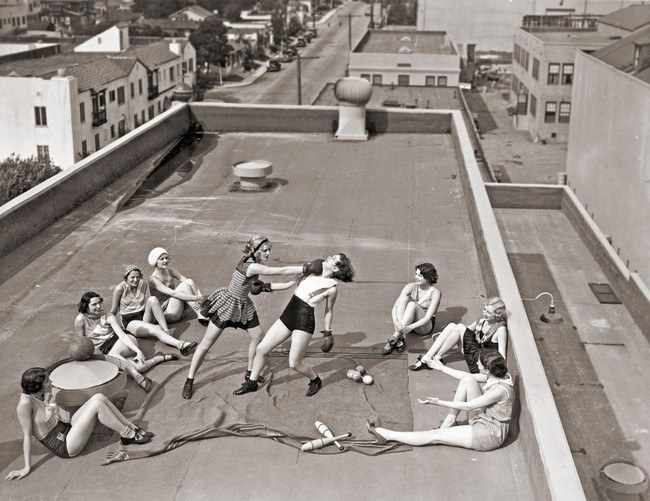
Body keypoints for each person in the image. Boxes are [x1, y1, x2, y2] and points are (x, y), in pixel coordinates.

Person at [182, 235, 304, 399]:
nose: (268, 253)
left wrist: (292, 282)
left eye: (269, 250)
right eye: (265, 250)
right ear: (255, 250)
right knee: (206, 344)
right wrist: (304, 268)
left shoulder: (254, 263)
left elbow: (265, 285)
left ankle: (250, 372)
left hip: (242, 304)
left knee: (257, 335)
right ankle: (189, 380)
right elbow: (279, 271)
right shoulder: (252, 266)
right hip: (227, 304)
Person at [234, 253, 355, 397]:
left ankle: (315, 379)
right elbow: (289, 282)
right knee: (261, 349)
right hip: (288, 315)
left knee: (294, 363)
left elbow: (329, 311)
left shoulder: (331, 288)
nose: (329, 257)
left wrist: (328, 332)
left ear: (336, 269)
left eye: (334, 259)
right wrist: (265, 287)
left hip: (304, 322)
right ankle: (251, 383)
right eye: (332, 256)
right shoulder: (311, 270)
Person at [5, 367, 152, 480]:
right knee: (97, 406)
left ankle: (129, 426)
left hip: (66, 428)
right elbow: (27, 435)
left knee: (98, 397)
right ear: (37, 386)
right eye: (47, 381)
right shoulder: (24, 404)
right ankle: (128, 435)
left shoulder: (40, 394)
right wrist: (26, 467)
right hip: (63, 445)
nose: (51, 382)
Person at [366, 349, 515, 451]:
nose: (476, 364)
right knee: (468, 380)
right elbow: (466, 377)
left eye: (479, 363)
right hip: (486, 418)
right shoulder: (497, 375)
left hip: (488, 434)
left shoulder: (499, 391)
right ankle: (448, 423)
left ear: (487, 369)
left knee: (435, 436)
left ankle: (387, 435)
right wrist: (442, 368)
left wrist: (438, 402)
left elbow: (468, 406)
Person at [75, 291, 175, 392]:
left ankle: (138, 377)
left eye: (99, 303)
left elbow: (122, 335)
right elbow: (82, 342)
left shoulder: (108, 315)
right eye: (94, 304)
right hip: (107, 349)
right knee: (137, 367)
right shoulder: (80, 320)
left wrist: (138, 351)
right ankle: (158, 358)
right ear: (86, 306)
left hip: (124, 341)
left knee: (115, 358)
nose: (98, 306)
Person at [111, 265, 198, 356]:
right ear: (126, 278)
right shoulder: (120, 289)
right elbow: (113, 310)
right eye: (132, 277)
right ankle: (181, 345)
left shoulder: (143, 284)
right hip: (130, 321)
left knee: (152, 299)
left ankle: (166, 331)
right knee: (156, 329)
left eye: (138, 277)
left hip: (143, 316)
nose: (135, 280)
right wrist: (108, 324)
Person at [409, 297, 507, 373]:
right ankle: (432, 357)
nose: (484, 313)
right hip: (474, 352)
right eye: (484, 309)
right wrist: (445, 334)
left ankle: (432, 358)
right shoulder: (483, 319)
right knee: (452, 326)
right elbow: (468, 329)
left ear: (497, 315)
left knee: (459, 327)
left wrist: (493, 373)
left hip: (480, 364)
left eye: (488, 312)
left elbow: (502, 357)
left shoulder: (500, 329)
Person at [382, 263, 441, 355]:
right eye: (416, 274)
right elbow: (395, 308)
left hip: (423, 326)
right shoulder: (410, 286)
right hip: (406, 323)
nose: (416, 277)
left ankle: (395, 337)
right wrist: (396, 322)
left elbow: (427, 318)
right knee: (403, 298)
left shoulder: (435, 293)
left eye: (420, 275)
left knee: (412, 305)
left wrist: (410, 327)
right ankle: (400, 337)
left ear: (428, 277)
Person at [147, 247, 207, 324]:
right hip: (168, 313)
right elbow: (173, 293)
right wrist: (195, 297)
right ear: (156, 261)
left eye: (166, 258)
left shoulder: (170, 270)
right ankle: (200, 314)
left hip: (178, 309)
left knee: (189, 281)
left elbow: (189, 282)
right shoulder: (153, 279)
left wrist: (199, 298)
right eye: (162, 259)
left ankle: (200, 308)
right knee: (184, 286)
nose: (165, 260)